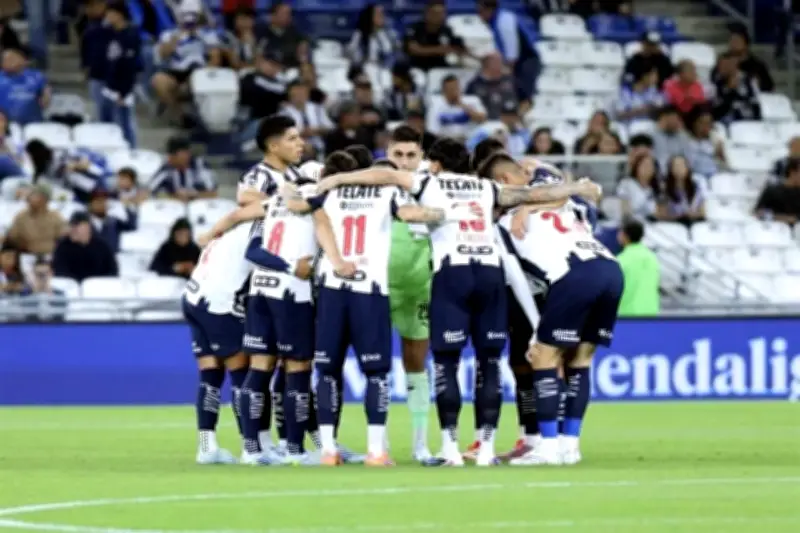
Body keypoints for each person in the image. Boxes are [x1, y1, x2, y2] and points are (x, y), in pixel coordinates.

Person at [314, 139, 601, 466]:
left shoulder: (429, 181)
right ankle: (488, 450)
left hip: (453, 275)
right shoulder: (486, 187)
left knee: (446, 363)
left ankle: (450, 449)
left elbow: (389, 177)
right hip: (490, 275)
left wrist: (338, 179)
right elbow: (532, 195)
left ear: (435, 164)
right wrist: (576, 187)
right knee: (490, 363)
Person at [282, 143, 484, 468]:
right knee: (377, 374)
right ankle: (376, 451)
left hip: (333, 289)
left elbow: (297, 205)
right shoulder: (388, 194)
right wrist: (450, 213)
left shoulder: (329, 194)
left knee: (327, 372)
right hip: (370, 289)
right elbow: (410, 214)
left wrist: (288, 185)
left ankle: (328, 450)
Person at [203, 152, 357, 466]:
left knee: (259, 370)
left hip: (260, 293)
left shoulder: (273, 205)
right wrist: (327, 265)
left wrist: (210, 234)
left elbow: (253, 249)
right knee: (298, 370)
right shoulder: (316, 206)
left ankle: (251, 449)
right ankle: (294, 449)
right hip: (293, 296)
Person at [485, 152, 622, 465]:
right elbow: (583, 192)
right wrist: (544, 181)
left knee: (545, 357)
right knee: (581, 360)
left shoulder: (505, 223)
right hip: (609, 268)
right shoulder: (569, 205)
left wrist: (535, 330)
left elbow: (518, 280)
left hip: (573, 274)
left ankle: (547, 449)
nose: (528, 176)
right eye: (523, 172)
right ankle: (569, 446)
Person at [382, 125, 436, 462]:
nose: (404, 161)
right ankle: (380, 443)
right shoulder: (375, 182)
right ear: (388, 153)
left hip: (421, 285)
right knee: (376, 367)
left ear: (422, 156)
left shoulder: (434, 186)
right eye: (398, 154)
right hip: (379, 284)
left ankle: (420, 444)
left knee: (417, 364)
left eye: (411, 155)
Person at [150, 1, 221, 123]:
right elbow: (162, 54)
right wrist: (177, 39)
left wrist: (199, 35)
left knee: (195, 80)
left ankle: (201, 116)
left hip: (199, 71)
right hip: (176, 71)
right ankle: (180, 116)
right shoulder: (169, 34)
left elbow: (215, 58)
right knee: (158, 80)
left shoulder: (208, 34)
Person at [477, 0, 540, 101]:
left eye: (480, 12)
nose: (479, 16)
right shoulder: (494, 21)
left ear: (489, 10)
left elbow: (512, 54)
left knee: (522, 96)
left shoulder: (504, 20)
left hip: (526, 62)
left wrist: (507, 74)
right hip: (515, 61)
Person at [100, 1, 142, 148]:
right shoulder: (109, 33)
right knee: (106, 124)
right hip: (109, 85)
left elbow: (129, 65)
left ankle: (131, 150)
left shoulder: (130, 34)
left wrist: (123, 92)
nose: (107, 17)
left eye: (111, 13)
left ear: (119, 15)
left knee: (125, 124)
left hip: (123, 87)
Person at [52, 212, 118, 282]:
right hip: (72, 289)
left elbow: (112, 271)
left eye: (76, 225)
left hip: (99, 288)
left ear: (88, 226)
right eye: (71, 225)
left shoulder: (102, 246)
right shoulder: (63, 247)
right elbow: (59, 272)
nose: (72, 229)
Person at [403, 0, 467, 71]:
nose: (440, 16)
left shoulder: (447, 30)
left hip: (441, 69)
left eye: (442, 13)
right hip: (417, 68)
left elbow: (458, 48)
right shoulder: (414, 29)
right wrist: (440, 49)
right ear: (427, 13)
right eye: (436, 13)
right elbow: (414, 49)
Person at [149, 137, 218, 201]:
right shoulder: (167, 168)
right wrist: (174, 196)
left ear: (185, 154)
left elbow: (213, 194)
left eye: (174, 155)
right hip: (175, 209)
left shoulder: (200, 166)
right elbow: (149, 191)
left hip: (199, 207)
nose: (169, 158)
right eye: (170, 155)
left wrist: (193, 195)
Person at [5, 185, 66, 255]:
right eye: (30, 195)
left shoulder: (55, 217)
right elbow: (13, 238)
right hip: (27, 255)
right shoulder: (21, 217)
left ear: (44, 199)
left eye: (34, 195)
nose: (29, 198)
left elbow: (62, 239)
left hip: (50, 256)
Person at [617, 219, 660, 317]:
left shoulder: (621, 260)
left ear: (625, 236)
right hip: (651, 312)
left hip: (627, 315)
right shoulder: (652, 257)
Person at [281, 80, 334, 158]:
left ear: (307, 93)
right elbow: (284, 134)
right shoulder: (284, 113)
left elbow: (331, 127)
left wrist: (316, 130)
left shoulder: (317, 108)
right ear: (290, 94)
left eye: (302, 92)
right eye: (296, 93)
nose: (300, 95)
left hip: (319, 145)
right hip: (297, 147)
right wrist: (302, 133)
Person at [426, 75, 487, 141]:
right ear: (444, 90)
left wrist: (462, 105)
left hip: (468, 139)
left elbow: (482, 119)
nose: (453, 91)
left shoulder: (472, 100)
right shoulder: (435, 104)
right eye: (450, 89)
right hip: (445, 140)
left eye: (455, 88)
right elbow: (432, 130)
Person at [0, 46, 51, 125]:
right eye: (5, 60)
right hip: (5, 126)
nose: (8, 61)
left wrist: (45, 96)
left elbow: (45, 99)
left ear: (23, 60)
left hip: (33, 124)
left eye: (12, 59)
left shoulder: (36, 76)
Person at [711, 52, 762, 125]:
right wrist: (730, 90)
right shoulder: (718, 83)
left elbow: (755, 103)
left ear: (733, 65)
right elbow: (717, 110)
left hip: (747, 120)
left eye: (724, 65)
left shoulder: (749, 81)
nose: (720, 68)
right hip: (725, 121)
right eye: (719, 65)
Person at [465, 52, 519, 120]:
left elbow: (526, 100)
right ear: (486, 64)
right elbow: (467, 106)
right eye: (497, 62)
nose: (500, 64)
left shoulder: (510, 80)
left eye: (500, 61)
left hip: (510, 123)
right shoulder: (474, 85)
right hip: (485, 123)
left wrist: (519, 115)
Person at [656, 155, 705, 224]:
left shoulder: (696, 187)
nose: (679, 168)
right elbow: (660, 215)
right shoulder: (664, 189)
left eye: (682, 165)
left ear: (688, 168)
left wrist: (692, 215)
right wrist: (679, 217)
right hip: (673, 226)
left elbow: (702, 212)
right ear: (671, 169)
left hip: (694, 224)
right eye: (676, 165)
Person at [86, 188, 138, 254]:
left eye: (104, 201)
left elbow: (132, 226)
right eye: (98, 201)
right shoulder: (83, 223)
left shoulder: (114, 221)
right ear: (90, 205)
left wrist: (128, 206)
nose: (102, 204)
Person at [346, 3, 397, 68]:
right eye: (378, 14)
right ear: (369, 16)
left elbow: (390, 53)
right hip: (365, 70)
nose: (382, 16)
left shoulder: (390, 34)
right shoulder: (359, 34)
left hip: (385, 70)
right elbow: (352, 54)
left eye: (382, 14)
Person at [754, 158, 800, 224]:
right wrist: (785, 218)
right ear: (792, 173)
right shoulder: (772, 190)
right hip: (773, 230)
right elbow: (757, 213)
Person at [617, 153, 661, 221]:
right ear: (637, 167)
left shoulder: (654, 189)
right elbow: (625, 212)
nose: (647, 169)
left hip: (652, 225)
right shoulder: (626, 184)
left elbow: (657, 213)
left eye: (650, 166)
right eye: (644, 165)